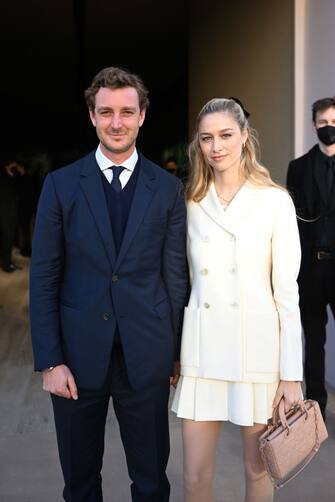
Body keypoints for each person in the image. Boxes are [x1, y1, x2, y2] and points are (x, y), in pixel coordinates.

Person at [29, 66, 188, 502]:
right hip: (76, 360)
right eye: (106, 112)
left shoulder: (169, 188)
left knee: (153, 482)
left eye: (126, 112)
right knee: (79, 484)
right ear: (92, 117)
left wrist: (175, 352)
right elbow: (43, 276)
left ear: (142, 116)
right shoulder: (60, 186)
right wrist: (49, 361)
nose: (116, 122)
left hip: (147, 355)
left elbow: (175, 277)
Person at [171, 98, 303, 502]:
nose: (216, 147)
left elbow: (287, 293)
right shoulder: (189, 203)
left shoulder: (275, 200)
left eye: (226, 135)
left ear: (245, 136)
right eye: (207, 138)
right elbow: (179, 282)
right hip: (202, 351)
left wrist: (291, 374)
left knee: (258, 471)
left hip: (257, 352)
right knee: (194, 477)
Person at [287, 96, 335, 420]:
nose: (329, 127)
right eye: (323, 122)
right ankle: (316, 408)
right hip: (313, 268)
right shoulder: (299, 168)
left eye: (333, 121)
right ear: (313, 125)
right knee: (313, 341)